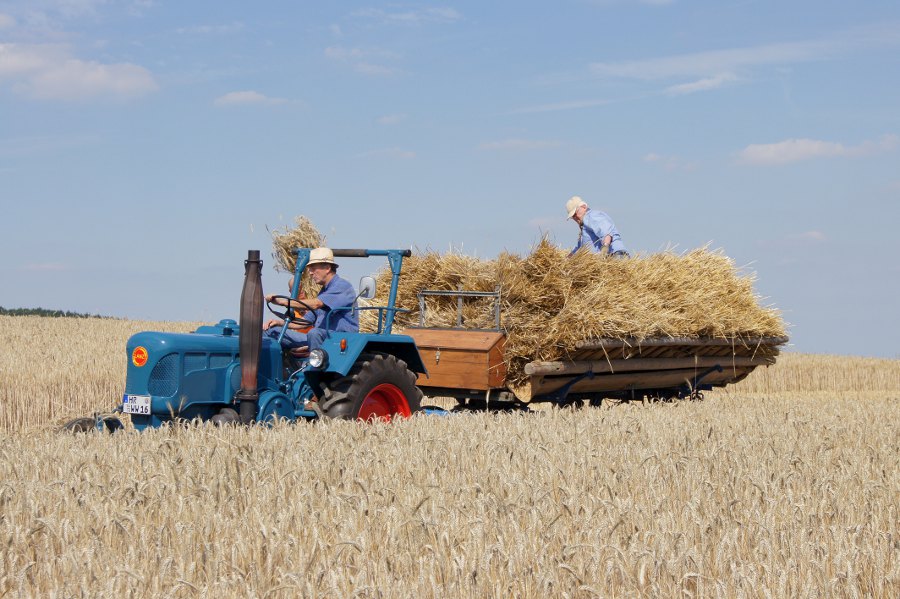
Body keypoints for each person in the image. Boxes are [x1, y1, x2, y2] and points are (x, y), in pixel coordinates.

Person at [263, 247, 359, 352]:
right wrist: (279, 323)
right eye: (309, 269)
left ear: (327, 268)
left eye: (313, 268)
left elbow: (316, 304)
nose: (310, 273)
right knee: (270, 331)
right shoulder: (324, 292)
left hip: (338, 339)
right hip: (320, 337)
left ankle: (316, 366)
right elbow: (305, 322)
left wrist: (283, 302)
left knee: (314, 333)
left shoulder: (342, 286)